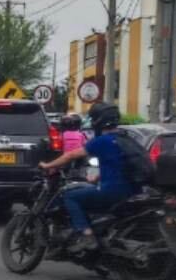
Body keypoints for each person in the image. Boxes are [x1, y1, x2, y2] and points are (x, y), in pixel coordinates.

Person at [38, 101, 134, 251]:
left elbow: (70, 155)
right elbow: (118, 165)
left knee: (70, 196)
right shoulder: (125, 138)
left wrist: (48, 165)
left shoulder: (102, 141)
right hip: (132, 190)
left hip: (112, 191)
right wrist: (96, 178)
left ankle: (87, 235)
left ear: (98, 120)